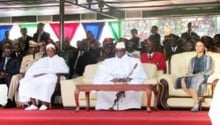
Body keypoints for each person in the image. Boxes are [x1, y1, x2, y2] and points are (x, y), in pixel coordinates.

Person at [92, 42, 147, 110]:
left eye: (121, 50)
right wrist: (112, 79)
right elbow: (102, 72)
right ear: (115, 50)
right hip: (113, 81)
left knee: (135, 83)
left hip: (127, 81)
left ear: (124, 50)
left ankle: (130, 106)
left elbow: (138, 73)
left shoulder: (135, 61)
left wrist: (128, 79)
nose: (119, 52)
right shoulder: (107, 61)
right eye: (117, 50)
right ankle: (108, 105)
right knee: (101, 83)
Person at [18, 43, 69, 110]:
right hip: (41, 76)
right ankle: (33, 104)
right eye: (48, 51)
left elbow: (65, 70)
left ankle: (44, 104)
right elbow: (34, 68)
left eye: (51, 51)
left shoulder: (60, 59)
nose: (49, 52)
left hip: (53, 76)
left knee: (46, 82)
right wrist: (35, 74)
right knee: (27, 81)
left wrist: (46, 72)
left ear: (54, 51)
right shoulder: (43, 60)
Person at [174, 40, 213, 112]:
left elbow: (209, 71)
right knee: (182, 80)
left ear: (204, 48)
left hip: (202, 76)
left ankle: (196, 104)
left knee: (193, 80)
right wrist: (189, 74)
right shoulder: (192, 59)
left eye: (200, 46)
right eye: (197, 46)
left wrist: (196, 75)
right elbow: (190, 70)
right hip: (193, 75)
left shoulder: (208, 58)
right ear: (195, 47)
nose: (198, 47)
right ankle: (198, 100)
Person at [4, 40, 41, 108]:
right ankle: (10, 99)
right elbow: (21, 70)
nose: (31, 49)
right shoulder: (25, 57)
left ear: (36, 48)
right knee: (15, 77)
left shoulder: (41, 56)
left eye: (33, 48)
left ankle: (32, 101)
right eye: (30, 48)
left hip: (36, 76)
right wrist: (23, 74)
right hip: (25, 75)